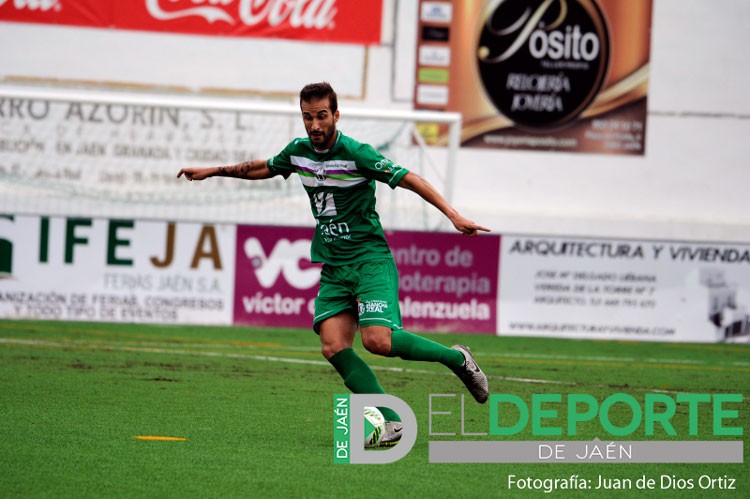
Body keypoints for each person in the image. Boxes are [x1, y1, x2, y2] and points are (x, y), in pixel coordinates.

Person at [177, 82, 490, 447]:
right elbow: (262, 167)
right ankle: (392, 420)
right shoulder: (298, 152)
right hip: (334, 265)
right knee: (333, 345)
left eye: (321, 116)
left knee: (377, 340)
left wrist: (452, 214)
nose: (314, 125)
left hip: (369, 259)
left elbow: (410, 178)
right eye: (308, 117)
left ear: (336, 115)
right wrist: (213, 171)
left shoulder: (357, 153)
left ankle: (457, 359)